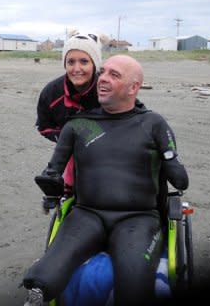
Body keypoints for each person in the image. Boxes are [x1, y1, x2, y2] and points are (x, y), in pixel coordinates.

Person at [23, 55, 189, 306]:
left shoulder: (153, 123)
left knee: (134, 284)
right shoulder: (79, 125)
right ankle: (36, 298)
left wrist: (170, 158)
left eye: (114, 74)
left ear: (134, 87)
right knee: (45, 274)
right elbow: (53, 171)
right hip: (87, 214)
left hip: (139, 217)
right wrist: (50, 182)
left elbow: (180, 181)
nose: (102, 78)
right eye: (103, 72)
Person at [36, 30, 109, 194]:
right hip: (71, 153)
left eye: (84, 61)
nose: (77, 69)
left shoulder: (107, 89)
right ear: (65, 64)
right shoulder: (51, 93)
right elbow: (43, 127)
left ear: (95, 64)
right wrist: (69, 138)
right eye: (70, 62)